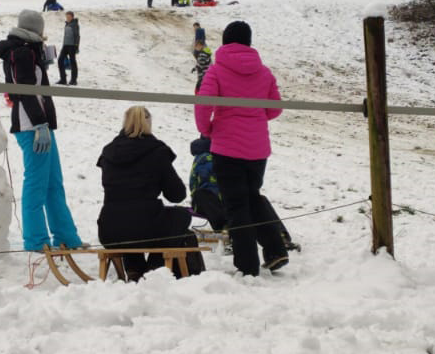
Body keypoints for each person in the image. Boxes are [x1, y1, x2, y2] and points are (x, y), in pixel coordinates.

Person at [194, 20, 288, 276]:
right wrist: (255, 118)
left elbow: (203, 104)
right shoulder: (264, 71)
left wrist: (208, 129)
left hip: (226, 147)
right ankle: (275, 249)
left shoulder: (217, 70)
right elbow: (275, 108)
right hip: (258, 149)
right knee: (252, 196)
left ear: (225, 40)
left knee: (236, 205)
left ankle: (247, 266)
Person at [0, 10, 82, 251]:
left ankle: (65, 236)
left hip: (41, 124)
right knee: (36, 185)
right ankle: (35, 241)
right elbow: (25, 90)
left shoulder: (28, 51)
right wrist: (40, 123)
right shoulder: (21, 52)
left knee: (54, 183)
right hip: (32, 125)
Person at [97, 106, 205, 282]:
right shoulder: (156, 151)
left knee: (128, 222)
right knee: (180, 217)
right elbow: (177, 194)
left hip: (109, 229)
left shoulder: (109, 151)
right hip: (146, 226)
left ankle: (134, 268)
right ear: (148, 123)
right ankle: (154, 267)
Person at [189, 135, 298, 253]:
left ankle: (278, 236)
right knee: (204, 195)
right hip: (210, 200)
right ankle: (229, 233)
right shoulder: (206, 157)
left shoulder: (228, 154)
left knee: (258, 199)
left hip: (230, 198)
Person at [56, 11, 79, 86]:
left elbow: (77, 36)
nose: (67, 18)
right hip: (65, 45)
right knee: (60, 60)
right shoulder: (67, 24)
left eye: (69, 17)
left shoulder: (74, 25)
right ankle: (63, 79)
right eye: (66, 17)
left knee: (73, 62)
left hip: (72, 46)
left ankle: (73, 80)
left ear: (72, 17)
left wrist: (76, 46)